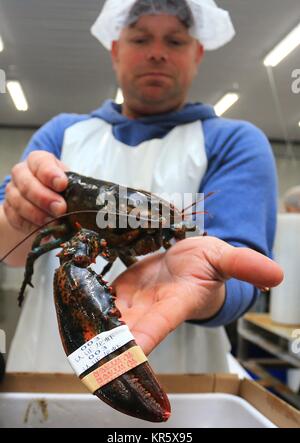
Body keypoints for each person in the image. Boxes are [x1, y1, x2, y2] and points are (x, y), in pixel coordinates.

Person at [0, 0, 283, 374]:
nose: (156, 54)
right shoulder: (60, 133)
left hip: (185, 382)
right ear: (116, 50)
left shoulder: (234, 141)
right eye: (140, 39)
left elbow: (244, 272)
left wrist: (206, 289)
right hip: (45, 375)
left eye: (175, 41)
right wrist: (19, 216)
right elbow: (10, 249)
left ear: (198, 53)